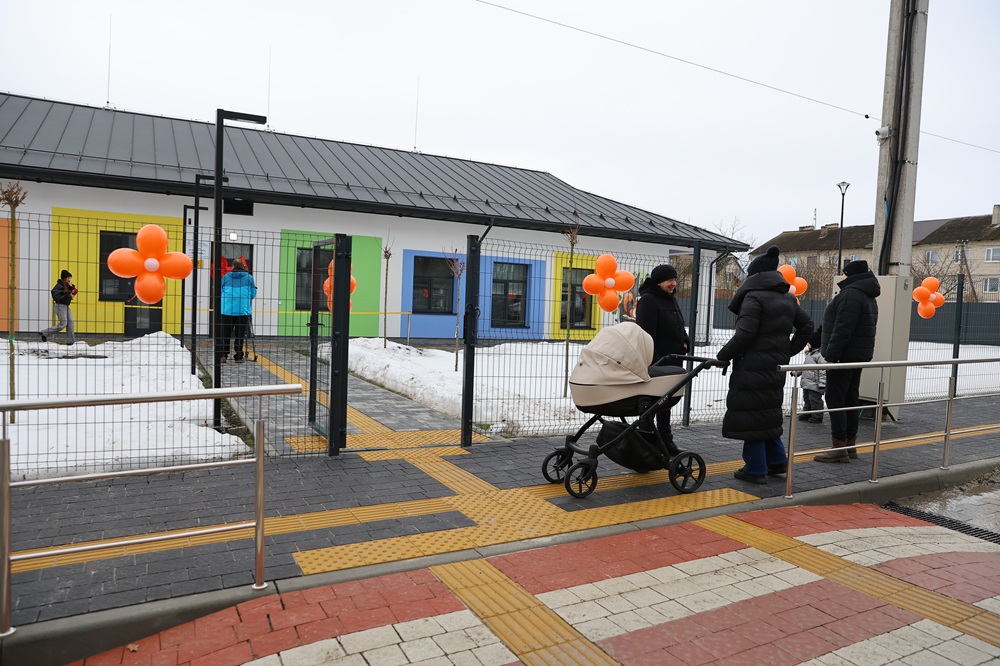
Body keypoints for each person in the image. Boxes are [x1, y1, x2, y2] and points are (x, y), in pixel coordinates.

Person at [716, 246, 814, 484]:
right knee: (766, 413)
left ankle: (755, 468)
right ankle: (777, 461)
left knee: (752, 416)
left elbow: (745, 334)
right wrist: (786, 351)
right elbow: (807, 327)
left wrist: (723, 355)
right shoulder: (788, 298)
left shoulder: (754, 297)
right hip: (774, 367)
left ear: (755, 275)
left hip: (752, 366)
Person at [815, 259, 880, 463]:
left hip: (843, 356)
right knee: (850, 399)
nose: (842, 276)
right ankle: (850, 446)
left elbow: (843, 328)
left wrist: (831, 357)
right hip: (857, 355)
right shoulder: (867, 294)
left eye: (844, 273)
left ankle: (839, 448)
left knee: (835, 400)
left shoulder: (850, 293)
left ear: (851, 275)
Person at [635, 263, 688, 455]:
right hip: (658, 363)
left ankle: (666, 442)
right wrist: (655, 360)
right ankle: (647, 445)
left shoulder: (670, 298)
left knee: (666, 403)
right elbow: (645, 334)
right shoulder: (648, 300)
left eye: (675, 279)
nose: (673, 283)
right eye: (669, 280)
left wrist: (686, 341)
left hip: (674, 360)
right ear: (658, 282)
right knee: (652, 403)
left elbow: (678, 324)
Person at [219, 259, 257, 364]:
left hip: (227, 310)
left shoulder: (225, 277)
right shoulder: (249, 278)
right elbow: (253, 294)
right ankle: (239, 357)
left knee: (225, 334)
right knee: (239, 335)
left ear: (233, 267)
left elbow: (220, 291)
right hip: (242, 311)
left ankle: (223, 355)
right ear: (243, 267)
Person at [795, 327, 826, 424]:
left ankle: (817, 416)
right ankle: (807, 413)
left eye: (809, 343)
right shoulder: (809, 355)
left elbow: (823, 371)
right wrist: (796, 372)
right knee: (807, 399)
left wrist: (822, 383)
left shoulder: (820, 356)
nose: (807, 344)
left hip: (815, 384)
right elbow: (805, 367)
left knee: (815, 400)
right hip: (807, 383)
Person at [40, 269, 77, 344]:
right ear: (64, 278)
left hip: (66, 306)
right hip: (60, 306)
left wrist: (72, 288)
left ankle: (71, 341)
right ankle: (44, 333)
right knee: (63, 324)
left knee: (71, 322)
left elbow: (71, 293)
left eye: (70, 278)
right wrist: (68, 296)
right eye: (68, 278)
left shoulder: (67, 286)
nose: (70, 280)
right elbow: (57, 297)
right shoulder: (59, 286)